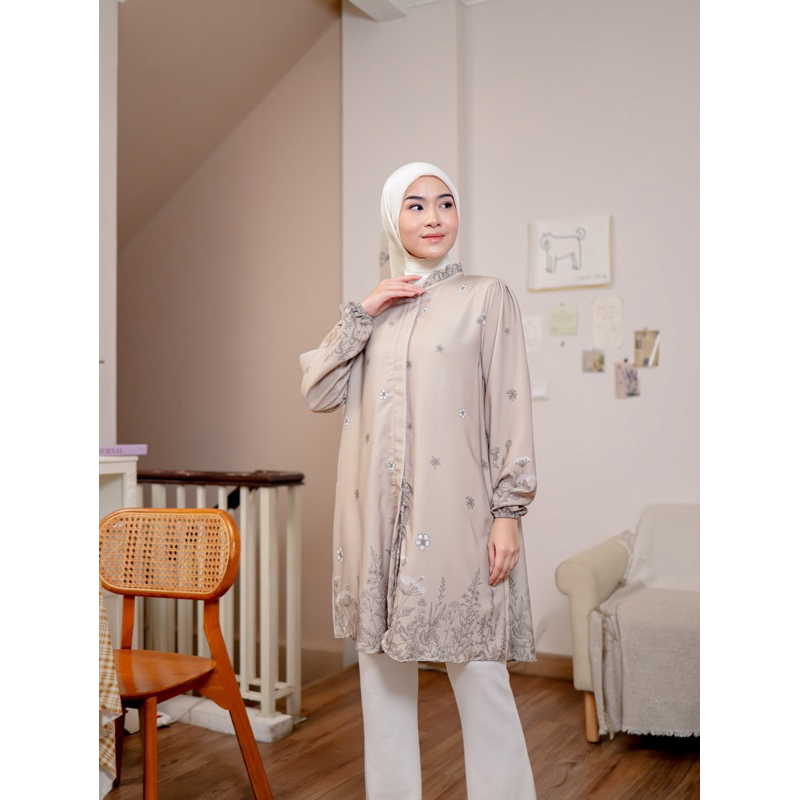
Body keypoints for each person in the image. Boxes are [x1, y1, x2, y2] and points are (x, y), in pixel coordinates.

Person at [301, 162, 538, 799]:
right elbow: (318, 392)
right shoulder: (374, 313)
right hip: (374, 522)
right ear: (393, 219)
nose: (434, 217)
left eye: (445, 203)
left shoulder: (487, 297)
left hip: (456, 516)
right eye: (415, 205)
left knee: (481, 676)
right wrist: (363, 310)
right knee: (381, 688)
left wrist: (508, 513)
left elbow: (509, 405)